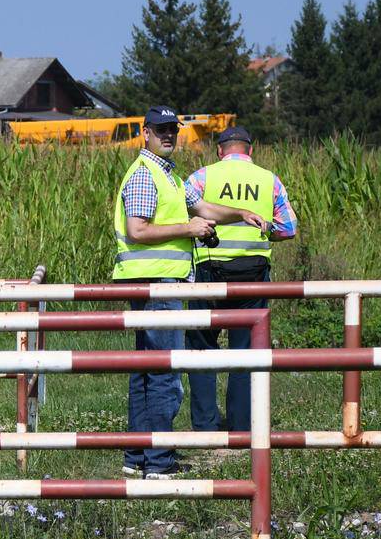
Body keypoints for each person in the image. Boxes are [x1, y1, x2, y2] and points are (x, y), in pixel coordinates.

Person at [113, 107, 268, 478]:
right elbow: (138, 230)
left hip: (158, 280)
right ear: (145, 133)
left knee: (145, 372)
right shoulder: (144, 176)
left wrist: (240, 213)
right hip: (155, 282)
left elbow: (202, 207)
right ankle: (160, 461)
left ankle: (138, 456)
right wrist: (190, 228)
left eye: (174, 130)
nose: (170, 136)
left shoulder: (167, 176)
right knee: (165, 374)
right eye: (162, 130)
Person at [183, 126, 298, 435]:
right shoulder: (268, 179)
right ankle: (240, 426)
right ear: (251, 150)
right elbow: (288, 228)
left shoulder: (201, 177)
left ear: (220, 151)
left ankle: (205, 426)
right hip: (254, 275)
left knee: (200, 347)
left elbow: (182, 215)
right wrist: (265, 228)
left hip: (209, 271)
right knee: (245, 350)